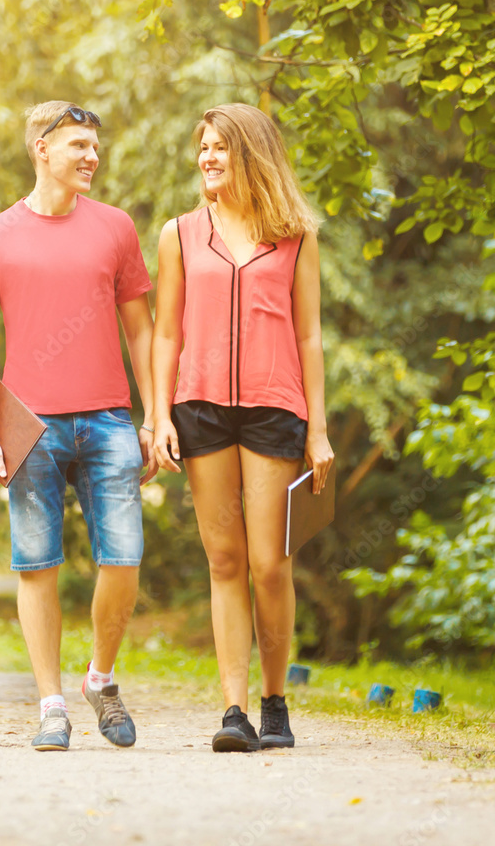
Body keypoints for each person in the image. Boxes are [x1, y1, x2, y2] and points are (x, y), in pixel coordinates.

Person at [0, 100, 156, 751]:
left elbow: (141, 331)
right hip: (28, 423)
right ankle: (49, 704)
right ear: (41, 148)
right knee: (36, 564)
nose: (91, 156)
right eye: (77, 145)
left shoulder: (116, 229)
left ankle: (98, 678)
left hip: (107, 419)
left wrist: (154, 416)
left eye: (94, 145)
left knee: (122, 556)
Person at [151, 104, 334, 752]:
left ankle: (274, 700)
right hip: (198, 406)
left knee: (269, 564)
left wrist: (316, 430)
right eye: (202, 146)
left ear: (249, 154)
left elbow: (309, 335)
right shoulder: (177, 234)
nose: (206, 157)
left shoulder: (294, 234)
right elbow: (166, 331)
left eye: (219, 147)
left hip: (272, 404)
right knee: (223, 559)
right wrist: (157, 415)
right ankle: (232, 710)